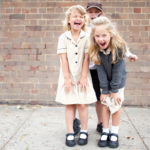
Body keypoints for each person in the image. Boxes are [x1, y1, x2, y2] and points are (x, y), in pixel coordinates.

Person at [85, 1, 138, 134]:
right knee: (100, 98)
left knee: (112, 100)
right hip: (93, 68)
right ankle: (102, 125)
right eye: (90, 12)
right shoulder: (84, 29)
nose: (92, 14)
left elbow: (119, 45)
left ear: (100, 13)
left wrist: (129, 54)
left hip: (109, 71)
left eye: (95, 12)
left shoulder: (105, 28)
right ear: (86, 14)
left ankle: (110, 129)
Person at [55, 5, 97, 147]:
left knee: (82, 104)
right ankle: (70, 132)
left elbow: (87, 58)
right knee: (70, 104)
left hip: (82, 75)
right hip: (68, 75)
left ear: (84, 21)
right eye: (75, 16)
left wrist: (84, 77)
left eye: (81, 16)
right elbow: (63, 59)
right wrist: (66, 78)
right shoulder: (63, 37)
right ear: (68, 20)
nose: (78, 18)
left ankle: (84, 131)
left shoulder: (87, 37)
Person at [89, 16, 128, 148]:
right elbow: (101, 71)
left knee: (115, 106)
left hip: (118, 82)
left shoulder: (119, 48)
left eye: (104, 35)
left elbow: (118, 71)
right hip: (105, 82)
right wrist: (105, 90)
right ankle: (105, 132)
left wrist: (114, 91)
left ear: (111, 34)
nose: (101, 39)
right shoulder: (96, 50)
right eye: (97, 36)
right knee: (105, 104)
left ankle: (114, 133)